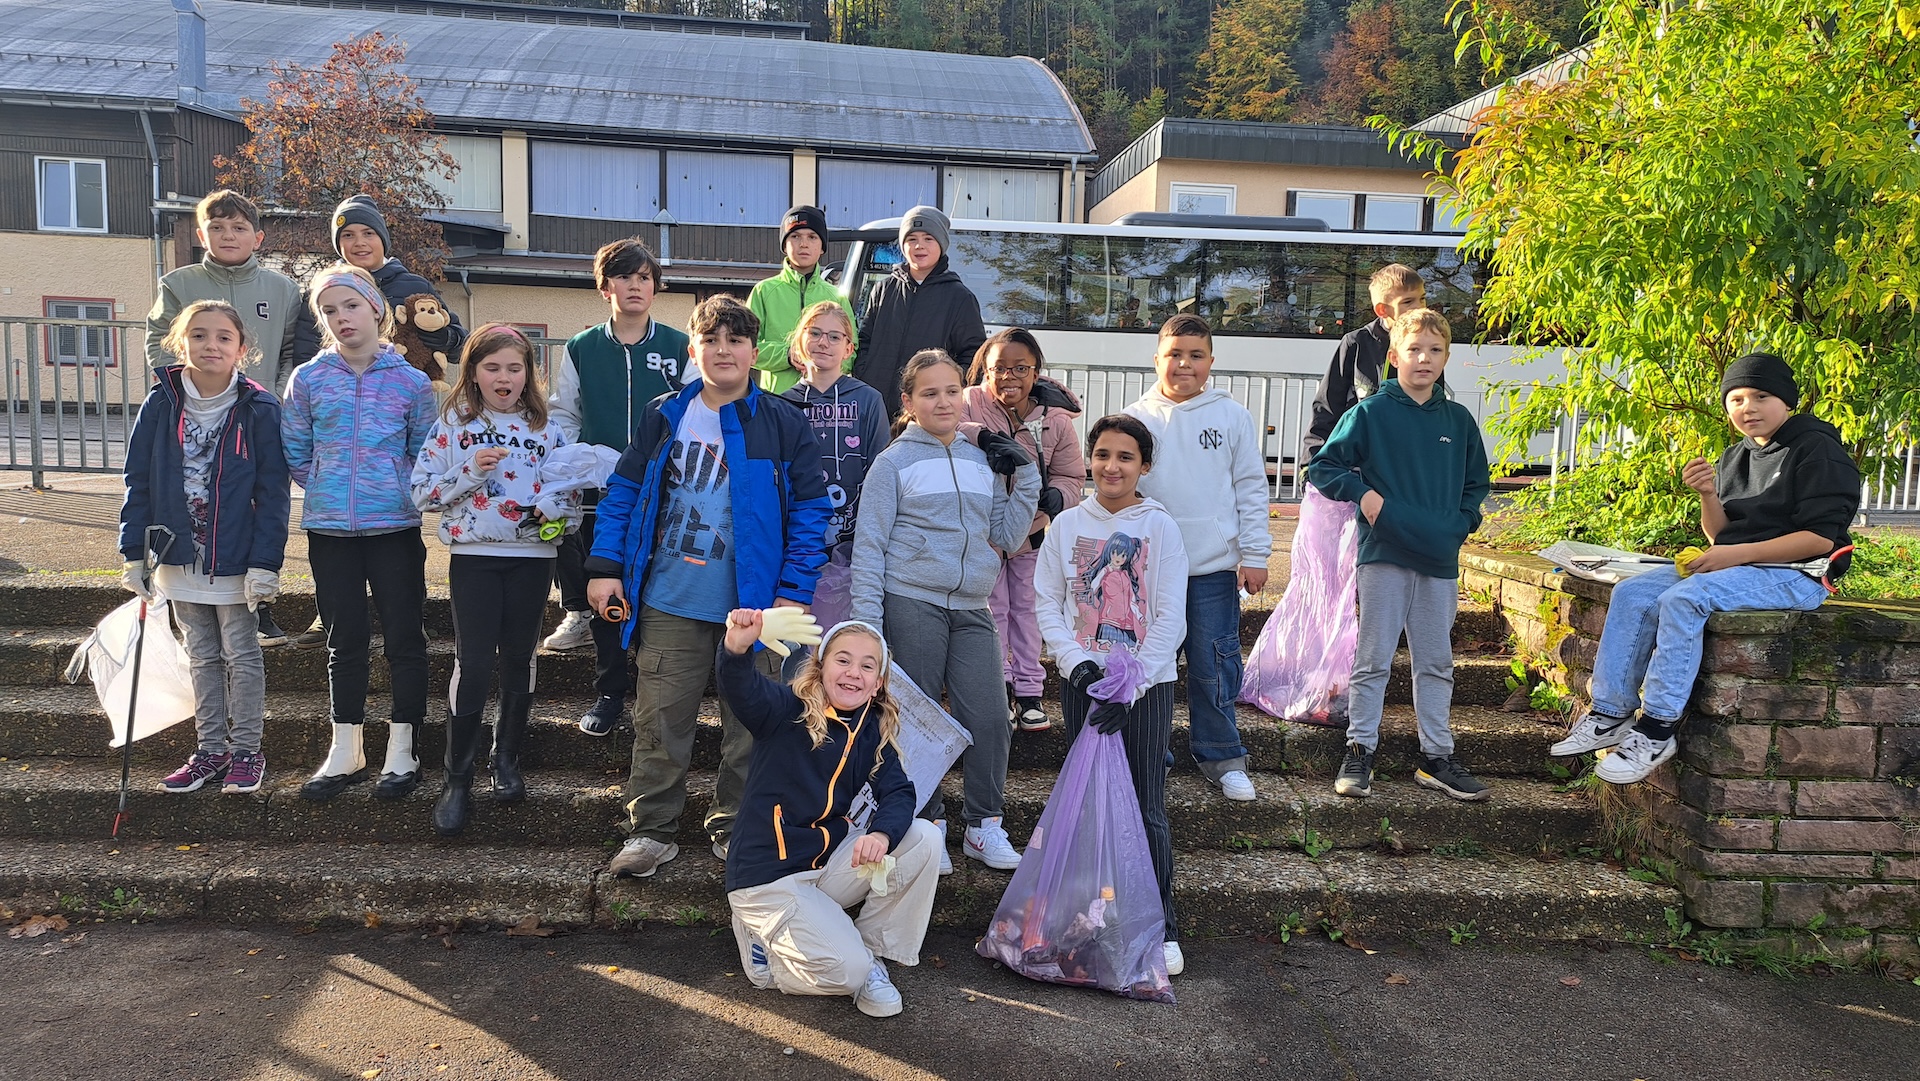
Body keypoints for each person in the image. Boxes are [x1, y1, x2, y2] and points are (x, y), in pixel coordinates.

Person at [584, 296, 830, 878]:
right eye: (711, 340)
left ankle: (734, 825)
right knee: (660, 719)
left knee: (750, 728)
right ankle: (651, 830)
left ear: (754, 352)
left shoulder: (782, 421)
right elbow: (622, 493)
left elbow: (813, 512)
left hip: (756, 610)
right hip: (669, 600)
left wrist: (793, 591)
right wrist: (603, 566)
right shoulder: (663, 415)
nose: (724, 350)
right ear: (692, 351)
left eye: (737, 339)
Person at [1553, 353, 1862, 783]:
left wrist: (1731, 557)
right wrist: (1707, 495)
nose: (1747, 407)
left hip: (1798, 573)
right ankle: (1610, 713)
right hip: (1739, 566)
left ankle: (1657, 730)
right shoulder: (1737, 455)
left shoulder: (1817, 449)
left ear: (1786, 401)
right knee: (1634, 592)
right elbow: (1721, 536)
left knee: (1685, 598)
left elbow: (1819, 539)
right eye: (1735, 399)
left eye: (1761, 395)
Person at [850, 350, 1039, 872]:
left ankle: (985, 827)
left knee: (991, 717)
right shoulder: (893, 463)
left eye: (952, 391)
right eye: (929, 393)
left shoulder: (981, 459)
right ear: (908, 402)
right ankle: (925, 827)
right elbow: (868, 546)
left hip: (973, 605)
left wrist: (1023, 475)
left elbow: (1006, 535)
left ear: (965, 394)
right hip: (911, 600)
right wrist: (868, 627)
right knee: (917, 723)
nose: (943, 401)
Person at [719, 613, 943, 1018]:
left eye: (866, 665)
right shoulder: (786, 710)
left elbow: (898, 792)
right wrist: (737, 647)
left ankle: (871, 953)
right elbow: (743, 690)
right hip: (767, 876)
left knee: (923, 838)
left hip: (822, 868)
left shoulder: (871, 728)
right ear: (821, 668)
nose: (853, 673)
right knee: (846, 974)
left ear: (878, 684)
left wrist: (881, 836)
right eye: (842, 660)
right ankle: (771, 962)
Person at [1308, 308, 1491, 802]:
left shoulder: (1458, 420)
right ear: (1394, 357)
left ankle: (1437, 756)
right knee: (1374, 659)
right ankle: (1360, 749)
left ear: (1447, 357)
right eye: (1414, 350)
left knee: (1436, 662)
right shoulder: (1370, 412)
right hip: (1385, 552)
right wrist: (1365, 496)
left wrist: (1463, 523)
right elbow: (1323, 467)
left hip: (1438, 557)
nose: (1424, 359)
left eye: (1435, 350)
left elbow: (1477, 485)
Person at [1033, 413, 1189, 976]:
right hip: (1085, 683)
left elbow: (1170, 615)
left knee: (1146, 804)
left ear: (1144, 466)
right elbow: (1047, 601)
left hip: (1145, 690)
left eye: (1126, 457)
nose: (1112, 466)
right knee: (1090, 803)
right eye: (1102, 454)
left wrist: (1137, 682)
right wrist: (1075, 665)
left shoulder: (1162, 528)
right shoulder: (1067, 526)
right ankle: (1087, 920)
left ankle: (1161, 926)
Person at [411, 324, 578, 836]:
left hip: (532, 559)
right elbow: (421, 494)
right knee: (474, 661)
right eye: (492, 367)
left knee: (522, 658)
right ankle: (456, 778)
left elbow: (568, 502)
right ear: (473, 373)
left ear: (529, 373)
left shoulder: (547, 429)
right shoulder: (453, 424)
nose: (504, 376)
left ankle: (506, 759)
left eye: (514, 367)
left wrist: (555, 515)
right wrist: (468, 471)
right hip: (475, 558)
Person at [281, 265, 438, 802]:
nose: (340, 318)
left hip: (394, 527)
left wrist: (388, 489)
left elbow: (424, 456)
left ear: (375, 308)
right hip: (329, 530)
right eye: (328, 310)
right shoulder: (307, 379)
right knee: (343, 639)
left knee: (404, 638)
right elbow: (296, 450)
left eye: (350, 305)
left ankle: (403, 746)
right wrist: (328, 485)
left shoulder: (413, 383)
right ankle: (345, 747)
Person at [121, 301, 291, 795]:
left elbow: (273, 492)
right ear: (181, 343)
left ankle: (246, 751)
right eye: (198, 335)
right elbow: (138, 481)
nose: (210, 345)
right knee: (200, 653)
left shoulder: (259, 407)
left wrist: (265, 563)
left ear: (242, 348)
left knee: (241, 651)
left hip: (236, 556)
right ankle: (210, 750)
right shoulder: (161, 402)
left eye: (222, 337)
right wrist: (134, 552)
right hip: (179, 553)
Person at [286, 195, 469, 648]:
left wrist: (398, 477)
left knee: (399, 582)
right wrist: (327, 474)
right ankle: (324, 617)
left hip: (399, 419)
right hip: (336, 455)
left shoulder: (410, 283)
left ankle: (410, 618)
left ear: (382, 238)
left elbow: (454, 334)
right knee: (338, 591)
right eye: (347, 235)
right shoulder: (325, 290)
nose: (358, 241)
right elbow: (304, 361)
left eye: (367, 233)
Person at [542, 238, 692, 731]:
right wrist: (569, 467)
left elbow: (696, 414)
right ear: (606, 286)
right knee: (605, 594)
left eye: (645, 277)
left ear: (656, 286)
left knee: (656, 595)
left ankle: (655, 695)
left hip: (668, 496)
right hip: (602, 499)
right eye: (625, 276)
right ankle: (609, 693)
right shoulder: (582, 347)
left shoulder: (677, 345)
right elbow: (564, 414)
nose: (636, 285)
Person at [144, 190, 303, 649]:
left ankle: (259, 606)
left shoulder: (283, 289)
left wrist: (273, 396)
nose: (227, 235)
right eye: (217, 227)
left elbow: (290, 351)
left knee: (259, 501)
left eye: (237, 228)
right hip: (197, 415)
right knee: (199, 499)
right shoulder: (178, 282)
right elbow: (158, 341)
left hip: (256, 416)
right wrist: (182, 391)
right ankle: (193, 596)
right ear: (201, 235)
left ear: (258, 236)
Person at [1124, 314, 1272, 802]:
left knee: (1214, 664)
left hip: (1212, 569)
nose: (1184, 364)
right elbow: (1121, 492)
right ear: (1156, 359)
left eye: (1196, 355)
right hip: (1148, 572)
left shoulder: (1231, 416)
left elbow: (1250, 486)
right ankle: (1151, 753)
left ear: (1211, 361)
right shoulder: (1135, 418)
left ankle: (1222, 755)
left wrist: (1254, 552)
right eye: (1174, 354)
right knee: (1152, 667)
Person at [959, 328, 1084, 732]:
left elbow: (1072, 476)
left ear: (1036, 372)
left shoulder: (1057, 422)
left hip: (1032, 535)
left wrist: (1056, 499)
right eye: (999, 368)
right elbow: (949, 425)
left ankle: (1030, 691)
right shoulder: (970, 404)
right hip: (984, 536)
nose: (1009, 377)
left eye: (1020, 368)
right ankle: (999, 689)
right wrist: (985, 437)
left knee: (1027, 611)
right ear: (984, 370)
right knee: (992, 611)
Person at [780, 301, 888, 568]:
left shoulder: (869, 399)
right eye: (814, 333)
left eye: (834, 336)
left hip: (856, 538)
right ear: (799, 341)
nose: (823, 343)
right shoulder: (782, 405)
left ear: (848, 348)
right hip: (796, 538)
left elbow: (882, 471)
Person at [852, 206, 987, 414]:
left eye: (928, 239)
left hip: (927, 411)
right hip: (875, 406)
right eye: (911, 239)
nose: (919, 246)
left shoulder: (960, 298)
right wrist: (865, 374)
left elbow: (973, 357)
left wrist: (946, 392)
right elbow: (864, 341)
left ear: (942, 244)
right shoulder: (884, 289)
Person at [1303, 264, 1428, 461]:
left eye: (1422, 298)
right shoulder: (1356, 342)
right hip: (1358, 459)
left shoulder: (1427, 346)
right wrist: (1311, 464)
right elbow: (1327, 405)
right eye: (1408, 302)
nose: (1419, 307)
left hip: (1406, 461)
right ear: (1382, 310)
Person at [750, 205, 858, 395]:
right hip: (776, 400)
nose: (804, 244)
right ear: (784, 245)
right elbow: (746, 346)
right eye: (795, 236)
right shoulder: (764, 291)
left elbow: (852, 350)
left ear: (822, 247)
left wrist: (822, 360)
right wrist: (787, 355)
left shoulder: (837, 296)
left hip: (825, 402)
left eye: (812, 237)